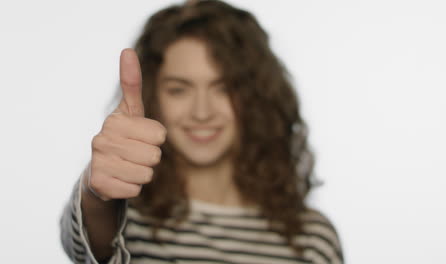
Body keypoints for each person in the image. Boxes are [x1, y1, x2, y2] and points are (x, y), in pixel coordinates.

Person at [60, 0, 344, 263]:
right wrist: (95, 195)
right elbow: (89, 240)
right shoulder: (126, 220)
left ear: (256, 97)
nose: (202, 112)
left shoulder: (310, 239)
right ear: (154, 96)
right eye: (179, 89)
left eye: (224, 88)